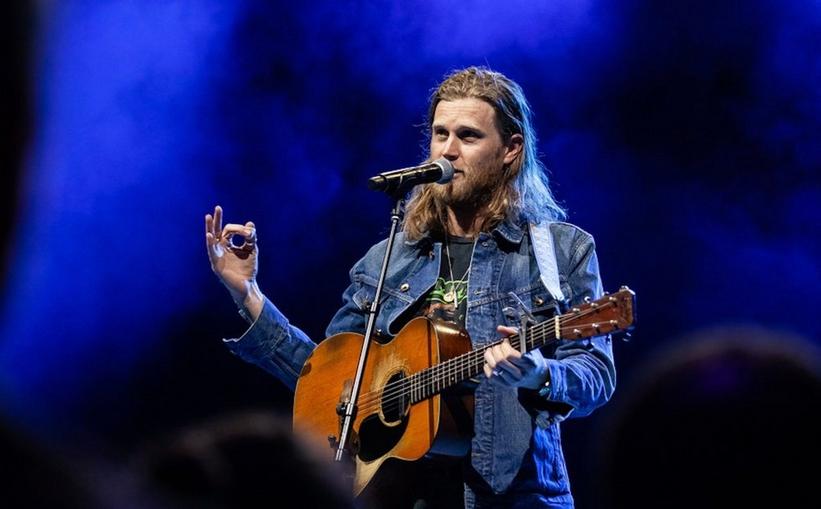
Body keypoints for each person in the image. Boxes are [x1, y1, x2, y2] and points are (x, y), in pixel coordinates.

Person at [205, 66, 616, 508]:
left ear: (510, 149)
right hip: (399, 495)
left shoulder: (559, 250)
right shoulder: (387, 259)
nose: (448, 151)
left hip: (515, 496)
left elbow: (596, 373)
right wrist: (249, 296)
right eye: (440, 134)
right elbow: (328, 387)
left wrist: (541, 374)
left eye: (468, 136)